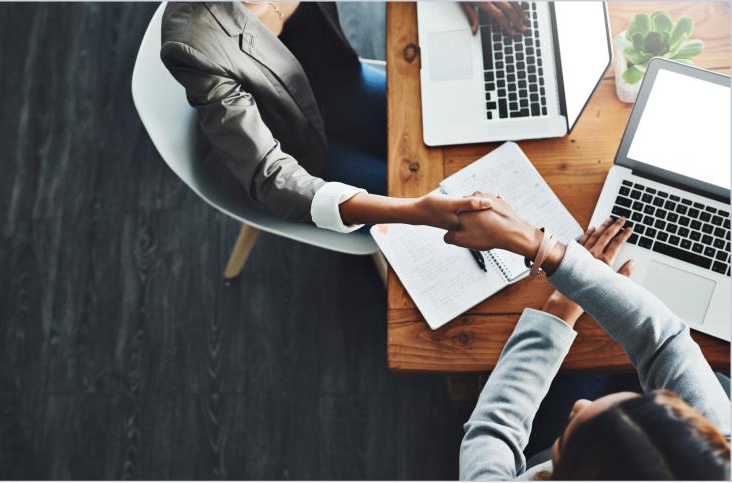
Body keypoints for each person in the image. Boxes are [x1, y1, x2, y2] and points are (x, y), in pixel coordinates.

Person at [160, 2, 525, 233]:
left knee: (470, 126)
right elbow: (270, 177)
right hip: (297, 150)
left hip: (344, 83)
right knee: (436, 197)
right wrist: (416, 211)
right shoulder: (191, 43)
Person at [443, 192, 730, 480]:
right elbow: (666, 341)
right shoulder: (717, 458)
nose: (580, 405)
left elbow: (493, 430)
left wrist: (559, 310)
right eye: (635, 403)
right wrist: (542, 247)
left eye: (569, 439)